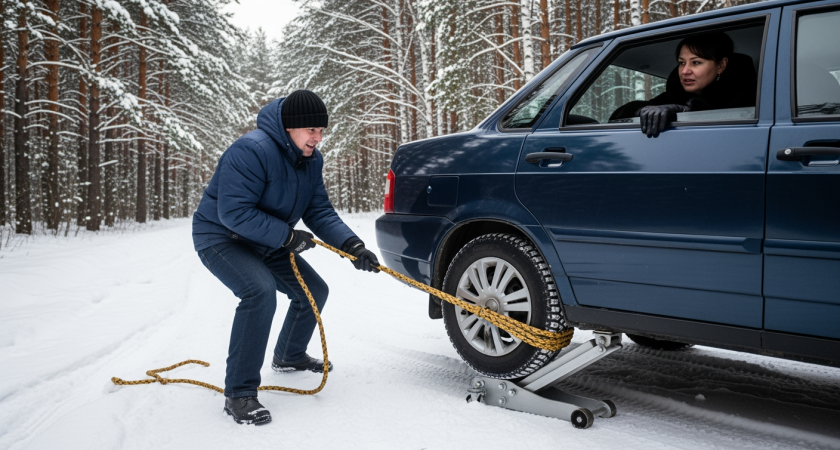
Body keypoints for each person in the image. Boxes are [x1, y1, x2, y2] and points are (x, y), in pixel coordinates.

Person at [191, 89, 380, 426]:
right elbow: (233, 212)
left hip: (267, 241)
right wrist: (289, 237)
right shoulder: (251, 150)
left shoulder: (311, 161)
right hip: (221, 238)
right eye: (311, 130)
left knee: (313, 291)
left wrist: (352, 245)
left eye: (321, 131)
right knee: (259, 292)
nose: (317, 138)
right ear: (290, 127)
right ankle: (239, 394)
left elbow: (319, 211)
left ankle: (289, 355)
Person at [609, 32, 757, 137]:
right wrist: (643, 111)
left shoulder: (751, 97)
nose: (685, 71)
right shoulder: (675, 95)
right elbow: (617, 116)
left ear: (721, 65)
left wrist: (684, 110)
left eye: (696, 62)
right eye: (681, 63)